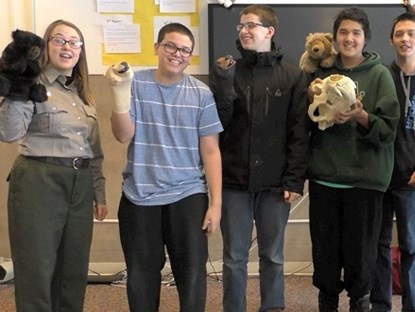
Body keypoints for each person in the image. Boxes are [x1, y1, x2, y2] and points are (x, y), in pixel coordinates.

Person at [108, 22, 222, 311]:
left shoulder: (201, 93)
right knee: (141, 276)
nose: (177, 53)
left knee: (193, 274)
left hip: (188, 193)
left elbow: (210, 151)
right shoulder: (135, 83)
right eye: (170, 46)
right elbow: (123, 135)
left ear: (190, 56)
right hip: (139, 194)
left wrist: (215, 204)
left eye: (185, 50)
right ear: (157, 48)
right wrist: (120, 93)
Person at [0, 19, 108, 311]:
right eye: (59, 40)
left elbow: (93, 149)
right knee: (37, 268)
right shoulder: (31, 84)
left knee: (72, 271)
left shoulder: (82, 94)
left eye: (74, 42)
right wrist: (18, 87)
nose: (67, 47)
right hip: (39, 181)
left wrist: (99, 191)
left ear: (81, 50)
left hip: (80, 185)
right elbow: (9, 133)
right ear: (46, 46)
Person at [208, 4, 309, 312]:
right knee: (234, 257)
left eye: (251, 25)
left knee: (273, 256)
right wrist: (223, 84)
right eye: (241, 26)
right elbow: (217, 126)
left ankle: (272, 307)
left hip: (276, 184)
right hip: (234, 181)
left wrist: (294, 179)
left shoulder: (292, 74)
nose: (245, 31)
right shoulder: (228, 70)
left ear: (269, 31)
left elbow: (299, 132)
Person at [306, 7, 400, 312]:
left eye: (356, 33)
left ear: (365, 38)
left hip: (365, 181)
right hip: (325, 178)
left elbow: (388, 128)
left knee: (362, 258)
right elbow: (303, 123)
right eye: (343, 32)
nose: (349, 38)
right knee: (325, 256)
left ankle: (360, 304)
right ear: (334, 37)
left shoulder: (379, 74)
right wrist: (316, 105)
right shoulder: (319, 74)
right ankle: (328, 304)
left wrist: (360, 116)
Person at [369, 12, 415, 312]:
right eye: (399, 34)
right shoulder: (380, 75)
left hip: (412, 180)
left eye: (411, 33)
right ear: (391, 40)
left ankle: (412, 307)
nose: (405, 39)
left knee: (412, 247)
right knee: (379, 246)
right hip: (379, 177)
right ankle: (380, 305)